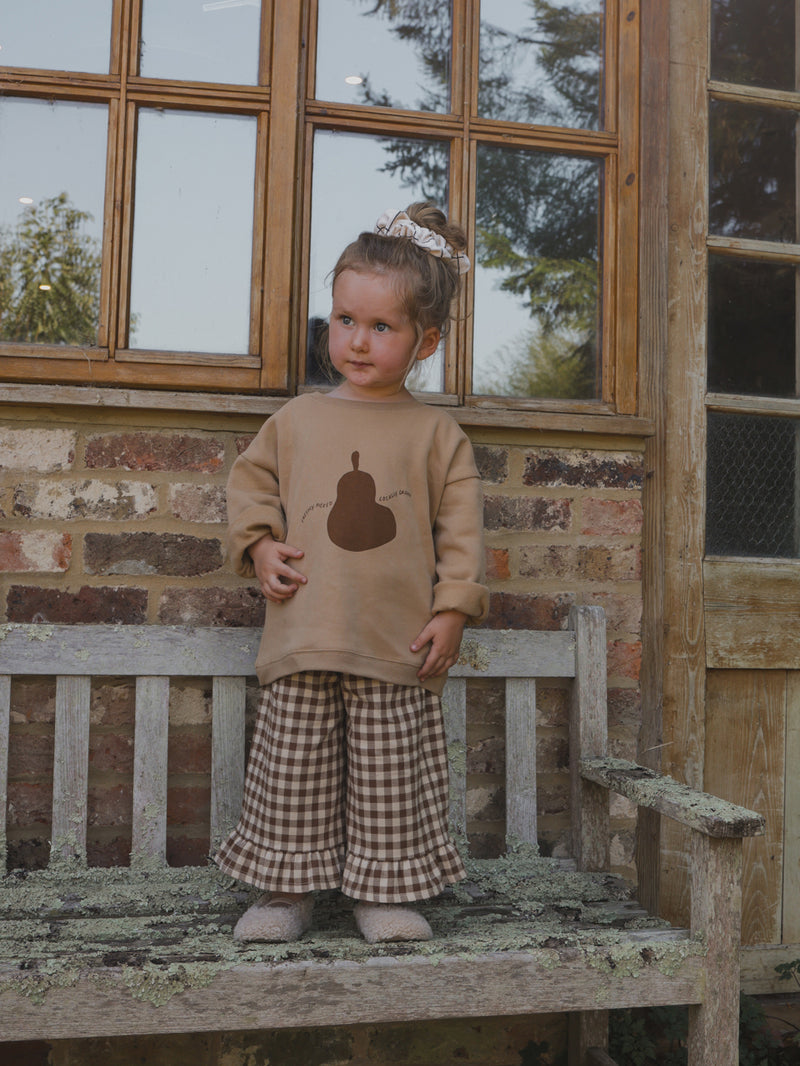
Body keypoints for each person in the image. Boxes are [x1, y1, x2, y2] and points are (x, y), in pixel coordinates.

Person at [215, 203, 488, 944]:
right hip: (305, 631)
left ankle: (385, 893)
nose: (356, 341)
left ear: (426, 340)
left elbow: (461, 533)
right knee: (290, 773)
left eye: (381, 327)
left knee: (391, 777)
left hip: (395, 642)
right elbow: (250, 486)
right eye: (343, 320)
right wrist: (261, 547)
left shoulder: (437, 435)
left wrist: (453, 609)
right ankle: (283, 893)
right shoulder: (297, 420)